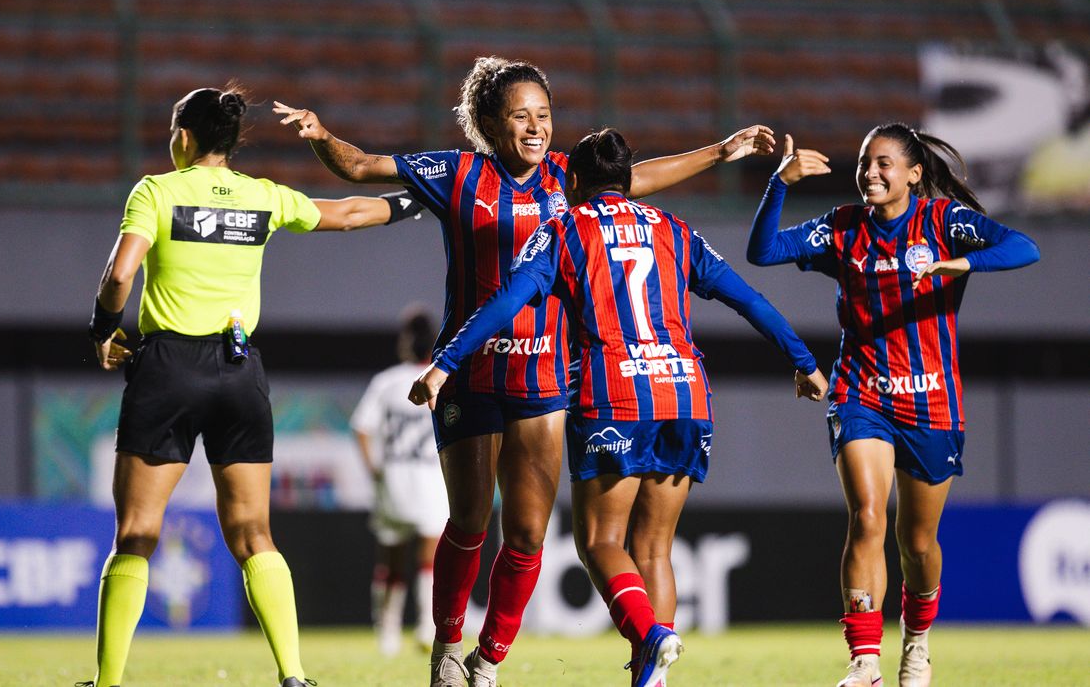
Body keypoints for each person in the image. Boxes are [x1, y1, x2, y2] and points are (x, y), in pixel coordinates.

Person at [275, 56, 778, 687]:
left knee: (528, 535)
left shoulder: (572, 176)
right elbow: (361, 167)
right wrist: (323, 137)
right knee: (466, 523)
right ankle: (447, 651)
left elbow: (641, 177)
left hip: (543, 381)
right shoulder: (456, 173)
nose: (536, 128)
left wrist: (721, 152)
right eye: (521, 116)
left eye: (544, 115)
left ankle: (489, 661)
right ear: (488, 122)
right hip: (471, 375)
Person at [409, 128, 829, 687]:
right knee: (654, 546)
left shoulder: (562, 228)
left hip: (616, 393)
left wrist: (447, 363)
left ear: (573, 181)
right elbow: (746, 297)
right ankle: (650, 677)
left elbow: (507, 300)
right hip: (685, 392)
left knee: (600, 541)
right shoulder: (675, 230)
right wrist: (803, 361)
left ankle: (652, 637)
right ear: (630, 181)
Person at [79, 84, 423, 687]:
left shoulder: (157, 190)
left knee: (136, 532)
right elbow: (346, 214)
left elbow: (119, 274)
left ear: (184, 136)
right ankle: (293, 675)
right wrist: (421, 199)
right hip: (239, 373)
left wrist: (105, 329)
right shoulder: (261, 197)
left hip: (169, 368)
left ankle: (108, 683)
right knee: (254, 533)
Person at [745, 124, 1040, 687]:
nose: (870, 173)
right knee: (868, 517)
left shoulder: (942, 222)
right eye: (863, 162)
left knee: (918, 542)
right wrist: (779, 184)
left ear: (913, 174)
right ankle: (864, 662)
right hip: (862, 396)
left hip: (932, 403)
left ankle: (918, 641)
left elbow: (1025, 247)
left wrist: (965, 264)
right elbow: (762, 251)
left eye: (884, 163)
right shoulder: (842, 229)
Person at [351, 306, 448, 656]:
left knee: (391, 561)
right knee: (429, 559)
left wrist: (374, 468)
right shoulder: (442, 378)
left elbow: (361, 427)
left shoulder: (387, 381)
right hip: (432, 478)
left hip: (393, 478)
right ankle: (426, 626)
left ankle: (387, 633)